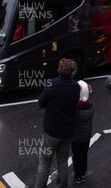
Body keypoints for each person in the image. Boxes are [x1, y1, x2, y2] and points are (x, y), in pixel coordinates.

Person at [34, 58, 80, 188]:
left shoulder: (52, 84)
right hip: (67, 132)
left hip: (51, 132)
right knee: (62, 162)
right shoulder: (76, 87)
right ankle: (62, 186)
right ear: (71, 73)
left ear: (59, 70)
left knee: (44, 164)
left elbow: (41, 103)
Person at [71, 80, 94, 184]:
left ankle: (77, 175)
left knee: (76, 156)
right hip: (86, 136)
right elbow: (86, 99)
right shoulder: (91, 106)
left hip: (75, 137)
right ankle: (83, 174)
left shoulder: (74, 108)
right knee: (84, 154)